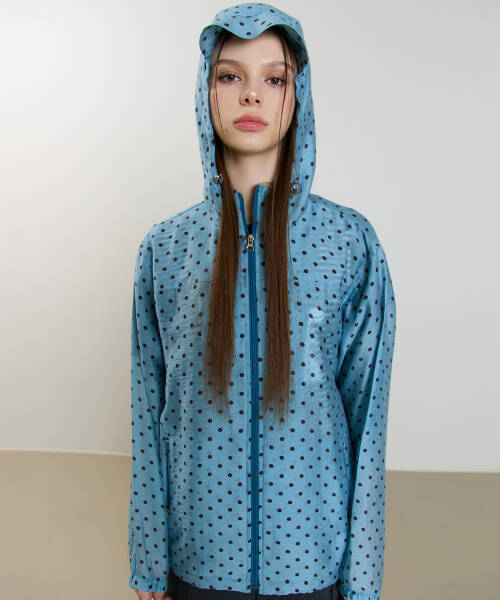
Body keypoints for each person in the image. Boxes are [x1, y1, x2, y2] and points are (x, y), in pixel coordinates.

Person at [128, 3, 397, 600]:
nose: (251, 94)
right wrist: (149, 560)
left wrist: (362, 580)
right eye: (231, 76)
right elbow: (148, 413)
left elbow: (367, 420)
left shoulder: (348, 242)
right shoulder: (166, 249)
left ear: (296, 97)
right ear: (207, 94)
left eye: (274, 79)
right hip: (198, 566)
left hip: (312, 568)